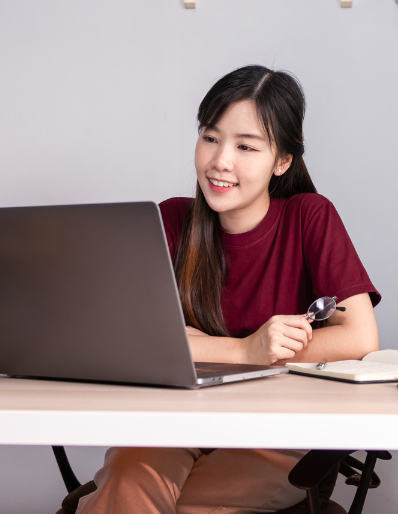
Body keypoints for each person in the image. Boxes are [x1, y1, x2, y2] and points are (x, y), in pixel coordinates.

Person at [74, 65, 381, 514]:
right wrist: (247, 351)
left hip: (278, 432)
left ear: (282, 161)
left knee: (174, 507)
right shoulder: (171, 220)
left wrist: (198, 344)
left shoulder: (309, 217)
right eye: (210, 137)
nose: (220, 160)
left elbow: (359, 338)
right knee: (127, 485)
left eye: (245, 146)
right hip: (179, 420)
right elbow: (131, 336)